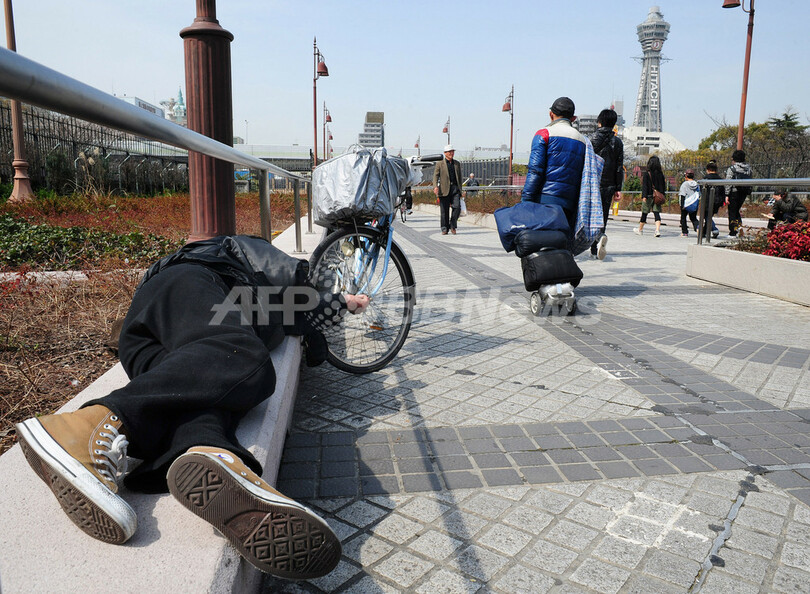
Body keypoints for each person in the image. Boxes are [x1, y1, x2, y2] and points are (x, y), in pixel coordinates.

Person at [15, 235, 369, 581]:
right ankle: (84, 427)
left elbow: (301, 315)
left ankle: (210, 450)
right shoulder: (237, 256)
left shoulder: (270, 308)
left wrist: (321, 318)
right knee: (246, 359)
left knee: (214, 389)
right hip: (183, 288)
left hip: (152, 343)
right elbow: (294, 282)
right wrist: (335, 298)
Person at [521, 96, 586, 231]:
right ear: (573, 119)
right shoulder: (583, 141)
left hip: (545, 200)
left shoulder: (544, 134)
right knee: (561, 241)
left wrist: (526, 200)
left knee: (540, 241)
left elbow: (535, 170)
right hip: (571, 203)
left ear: (551, 114)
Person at [589, 108, 623, 260]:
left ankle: (590, 243)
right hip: (609, 185)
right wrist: (618, 188)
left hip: (592, 184)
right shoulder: (618, 142)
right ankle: (599, 240)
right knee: (603, 215)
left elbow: (586, 163)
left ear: (599, 122)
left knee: (589, 214)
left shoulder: (591, 139)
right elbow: (618, 166)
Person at [433, 144, 465, 234]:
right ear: (445, 153)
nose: (451, 153)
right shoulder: (440, 164)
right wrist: (435, 186)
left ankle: (453, 225)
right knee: (444, 211)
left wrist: (460, 190)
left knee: (457, 207)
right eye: (450, 152)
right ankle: (444, 228)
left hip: (455, 189)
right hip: (444, 189)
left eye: (453, 152)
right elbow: (435, 176)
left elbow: (459, 177)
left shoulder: (457, 164)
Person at [634, 155, 665, 237]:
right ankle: (657, 230)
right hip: (657, 197)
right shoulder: (660, 174)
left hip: (648, 196)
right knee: (656, 213)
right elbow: (663, 186)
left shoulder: (647, 173)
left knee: (644, 213)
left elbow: (645, 186)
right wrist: (662, 195)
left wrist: (644, 196)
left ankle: (640, 230)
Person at [724, 149, 752, 237]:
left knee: (732, 212)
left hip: (734, 192)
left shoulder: (732, 168)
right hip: (743, 192)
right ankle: (739, 229)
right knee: (736, 211)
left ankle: (733, 232)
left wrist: (727, 194)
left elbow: (728, 182)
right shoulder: (748, 169)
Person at [702, 160, 725, 239]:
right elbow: (723, 191)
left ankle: (714, 229)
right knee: (709, 217)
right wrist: (722, 202)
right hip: (717, 201)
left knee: (707, 217)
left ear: (708, 170)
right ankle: (703, 232)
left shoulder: (706, 178)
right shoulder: (720, 179)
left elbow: (702, 190)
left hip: (708, 201)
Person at [678, 169, 700, 237]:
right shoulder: (697, 184)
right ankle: (698, 229)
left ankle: (684, 232)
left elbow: (682, 194)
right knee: (693, 218)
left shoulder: (685, 184)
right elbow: (699, 194)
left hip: (686, 203)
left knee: (683, 218)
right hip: (694, 203)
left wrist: (682, 205)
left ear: (686, 176)